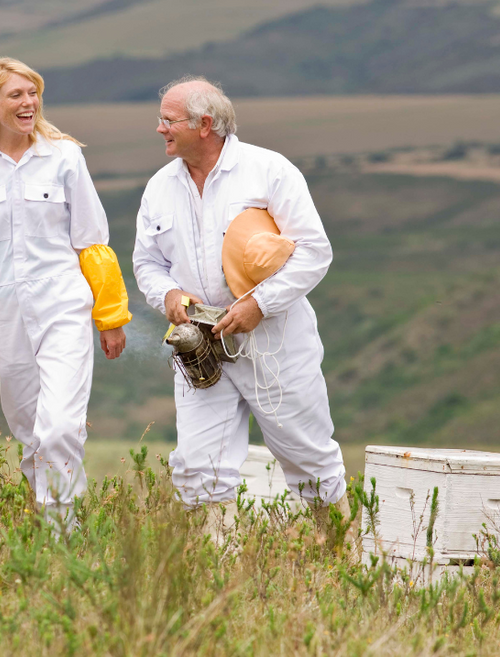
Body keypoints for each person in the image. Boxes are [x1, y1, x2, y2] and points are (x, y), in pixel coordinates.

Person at [132, 76, 348, 540]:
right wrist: (168, 296)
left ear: (204, 124)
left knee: (307, 454)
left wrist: (260, 304)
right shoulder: (160, 187)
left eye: (168, 121)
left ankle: (341, 555)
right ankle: (218, 568)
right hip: (198, 345)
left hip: (274, 340)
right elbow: (147, 262)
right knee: (198, 465)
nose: (160, 129)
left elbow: (315, 252)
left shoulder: (269, 171)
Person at [0, 57, 131, 528]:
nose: (29, 103)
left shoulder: (65, 157)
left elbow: (91, 239)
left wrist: (111, 317)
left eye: (33, 93)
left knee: (60, 426)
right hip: (3, 314)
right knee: (31, 432)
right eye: (16, 95)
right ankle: (48, 530)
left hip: (63, 302)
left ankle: (64, 532)